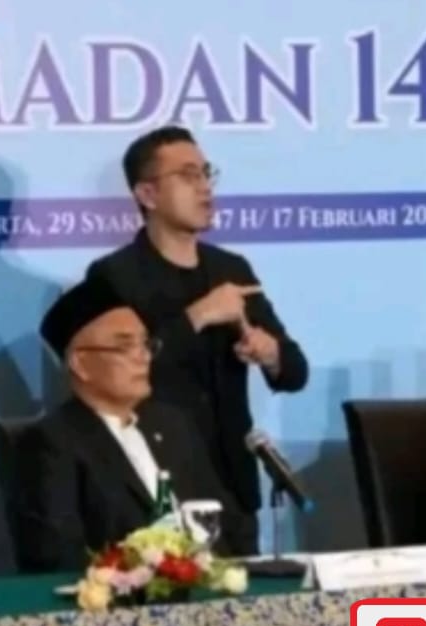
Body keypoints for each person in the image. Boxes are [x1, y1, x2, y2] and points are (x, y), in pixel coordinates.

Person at [86, 126, 307, 554]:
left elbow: (295, 372)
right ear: (147, 194)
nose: (205, 188)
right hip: (156, 493)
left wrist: (270, 353)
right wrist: (198, 316)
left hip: (233, 489)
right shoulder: (113, 277)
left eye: (207, 174)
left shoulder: (232, 269)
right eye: (188, 176)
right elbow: (116, 377)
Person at [12, 276, 251, 574]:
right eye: (124, 346)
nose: (144, 357)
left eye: (146, 344)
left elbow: (231, 522)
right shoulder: (52, 442)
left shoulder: (173, 424)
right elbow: (58, 556)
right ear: (80, 364)